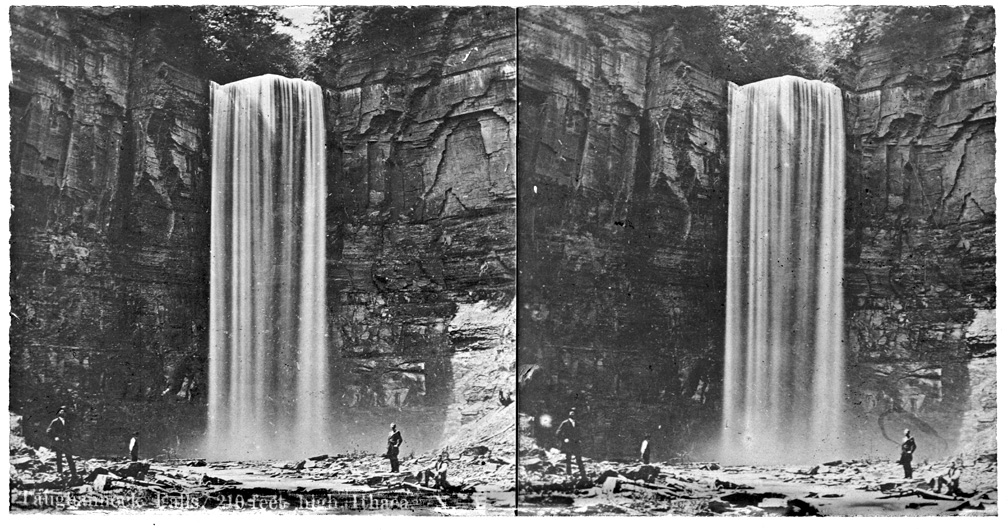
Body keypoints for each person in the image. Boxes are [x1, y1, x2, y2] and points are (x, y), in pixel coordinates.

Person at [46, 406, 78, 479]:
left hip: (66, 442)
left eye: (64, 411)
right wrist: (54, 437)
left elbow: (70, 431)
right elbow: (48, 431)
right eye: (61, 411)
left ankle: (74, 474)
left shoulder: (67, 422)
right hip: (59, 443)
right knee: (59, 458)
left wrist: (70, 438)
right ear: (58, 413)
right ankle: (60, 474)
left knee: (69, 458)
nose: (63, 412)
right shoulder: (55, 421)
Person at [555, 408, 586, 480]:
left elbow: (579, 433)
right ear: (569, 414)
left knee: (579, 458)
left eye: (574, 413)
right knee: (568, 459)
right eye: (571, 413)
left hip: (576, 444)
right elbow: (557, 433)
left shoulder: (577, 423)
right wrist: (564, 439)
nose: (573, 414)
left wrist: (579, 439)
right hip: (568, 444)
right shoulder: (565, 423)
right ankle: (569, 475)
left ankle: (583, 475)